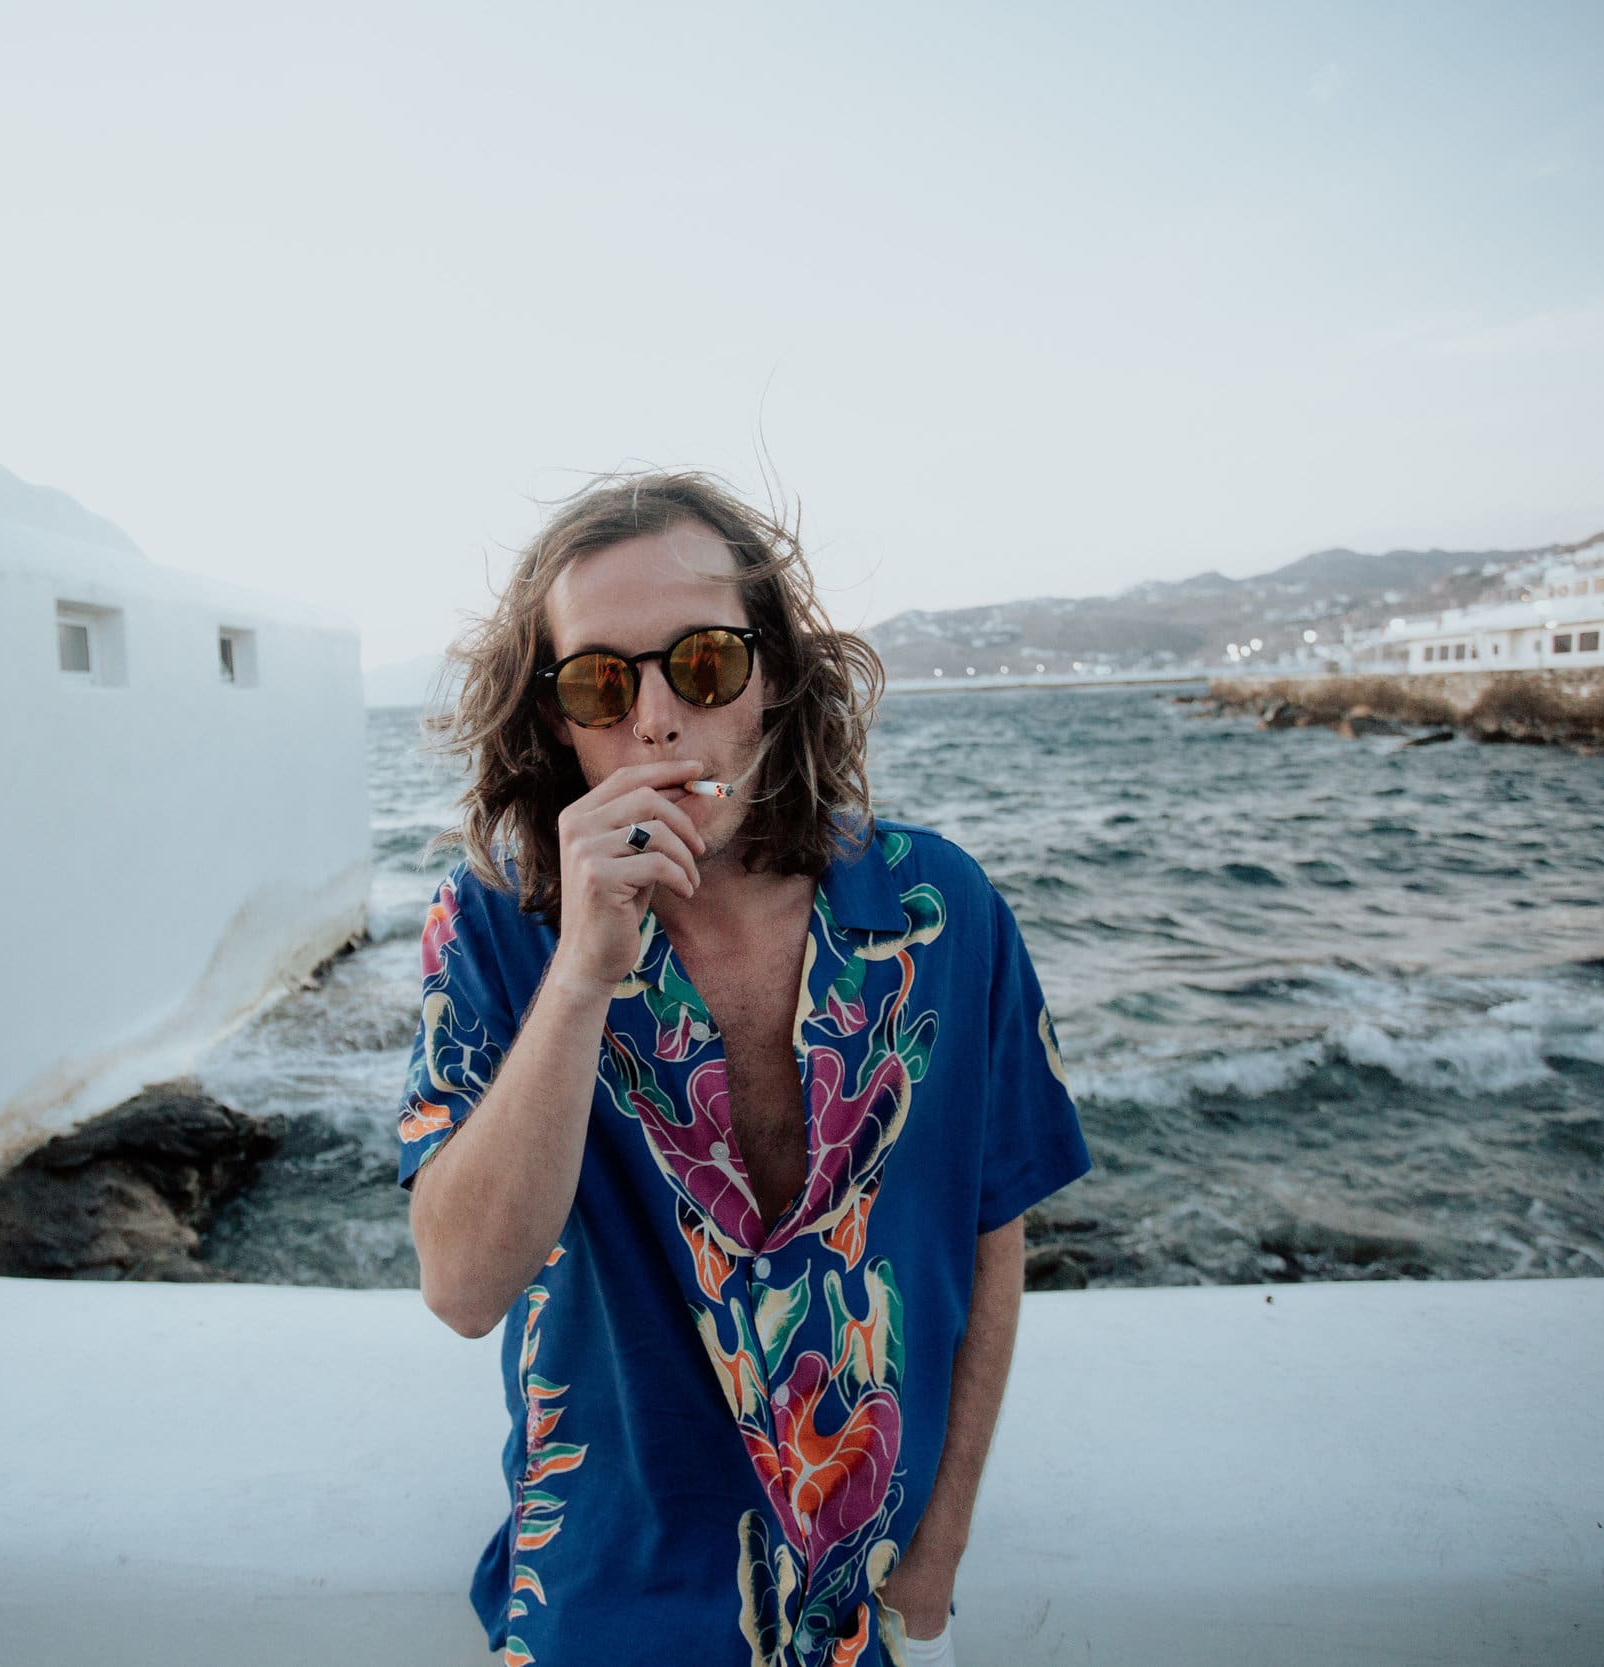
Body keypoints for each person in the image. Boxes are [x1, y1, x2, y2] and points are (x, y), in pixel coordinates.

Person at [398, 470, 1091, 1667]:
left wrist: (937, 1553)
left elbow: (992, 1227)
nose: (656, 720)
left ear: (772, 672)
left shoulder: (941, 909)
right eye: (601, 682)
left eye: (704, 663)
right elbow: (461, 1286)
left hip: (862, 1616)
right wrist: (581, 974)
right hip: (604, 1611)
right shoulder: (495, 927)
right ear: (556, 719)